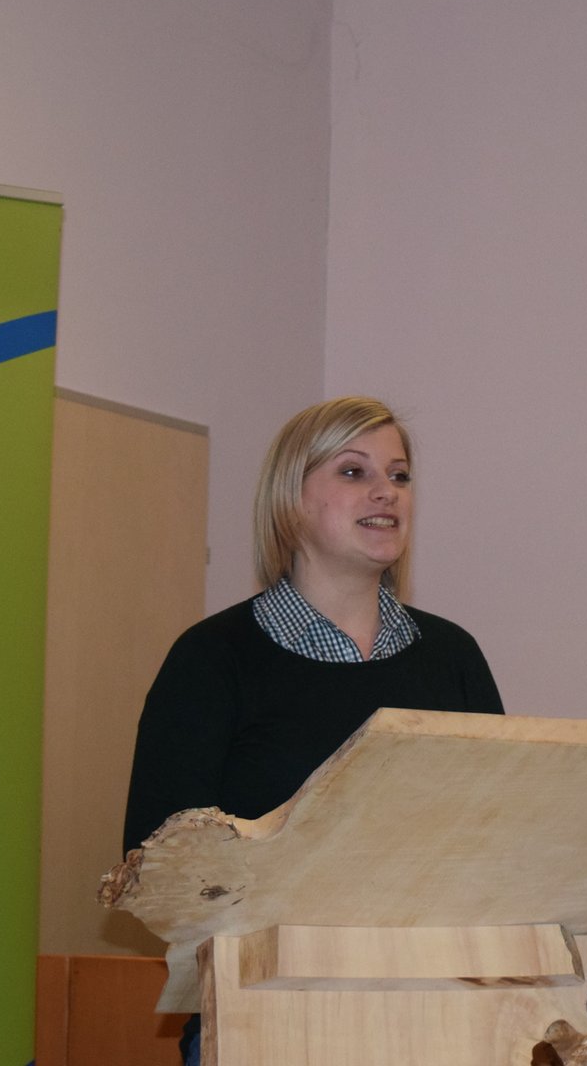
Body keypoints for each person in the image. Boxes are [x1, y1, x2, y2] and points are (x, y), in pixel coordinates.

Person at [120, 396, 504, 1066]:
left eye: (399, 475)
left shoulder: (454, 657)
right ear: (290, 502)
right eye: (354, 472)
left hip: (437, 1018)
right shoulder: (213, 659)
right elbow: (158, 865)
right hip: (264, 1021)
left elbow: (502, 836)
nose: (386, 491)